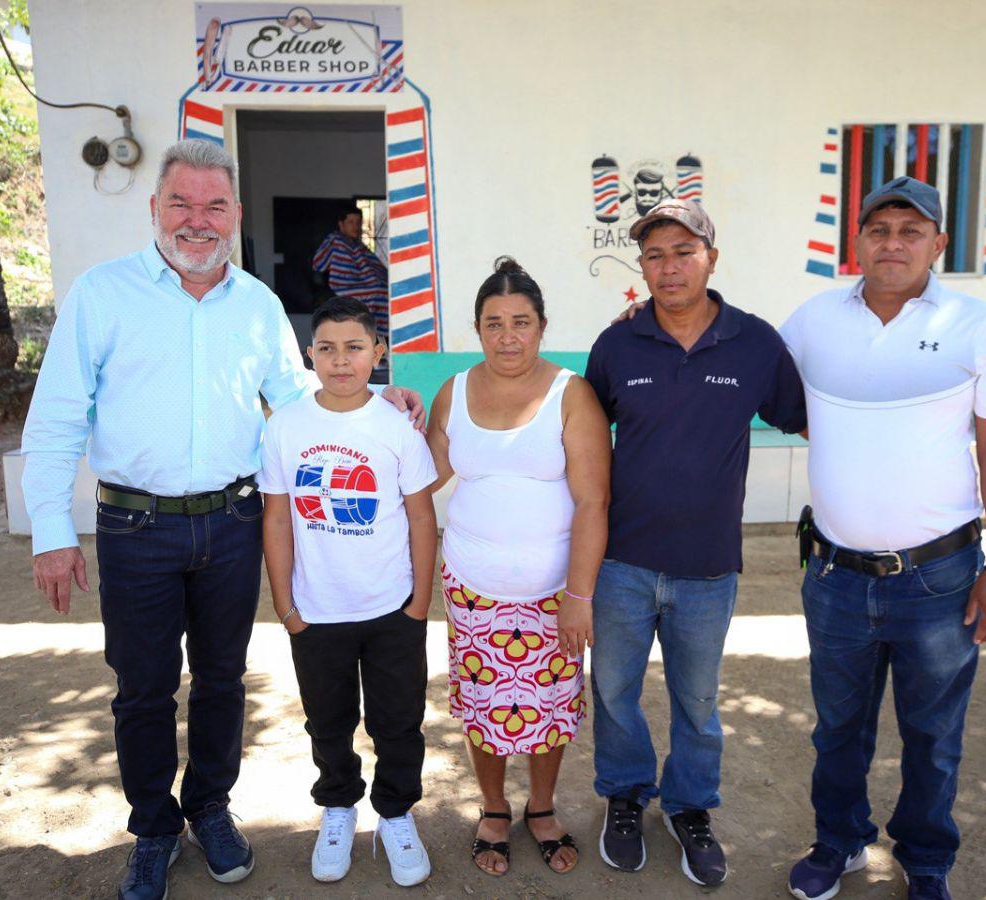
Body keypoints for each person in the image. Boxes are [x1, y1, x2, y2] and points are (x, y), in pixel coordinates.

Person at [20, 139, 422, 900]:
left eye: (213, 206)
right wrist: (51, 531)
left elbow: (299, 394)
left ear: (235, 215)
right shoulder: (102, 295)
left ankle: (209, 809)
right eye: (181, 203)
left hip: (234, 523)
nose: (196, 221)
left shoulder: (257, 305)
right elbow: (57, 418)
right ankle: (153, 828)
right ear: (154, 209)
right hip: (135, 530)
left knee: (220, 680)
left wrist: (377, 400)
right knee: (142, 687)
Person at [780, 177, 986, 900]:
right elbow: (760, 384)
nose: (893, 243)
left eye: (910, 231)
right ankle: (839, 842)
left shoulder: (975, 322)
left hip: (939, 577)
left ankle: (925, 862)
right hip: (835, 576)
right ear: (855, 241)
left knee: (933, 735)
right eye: (879, 229)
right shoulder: (814, 319)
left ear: (938, 244)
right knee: (838, 730)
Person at [585, 199, 807, 887]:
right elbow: (583, 444)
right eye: (654, 254)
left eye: (684, 251)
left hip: (709, 567)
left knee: (698, 701)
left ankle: (690, 808)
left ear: (712, 257)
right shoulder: (617, 344)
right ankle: (625, 796)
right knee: (615, 690)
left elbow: (811, 421)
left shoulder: (755, 344)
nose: (668, 265)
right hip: (622, 561)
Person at [424, 257, 611, 877]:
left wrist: (579, 596)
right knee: (484, 704)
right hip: (472, 590)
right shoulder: (454, 390)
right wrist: (382, 413)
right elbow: (425, 474)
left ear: (542, 326)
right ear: (477, 330)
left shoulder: (571, 392)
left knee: (550, 706)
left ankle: (543, 807)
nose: (509, 336)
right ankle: (494, 807)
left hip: (551, 592)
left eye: (521, 322)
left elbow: (592, 500)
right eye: (494, 323)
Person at [259, 297, 437, 887]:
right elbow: (279, 518)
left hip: (391, 609)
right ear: (310, 355)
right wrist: (286, 606)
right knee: (327, 721)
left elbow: (419, 517)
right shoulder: (286, 424)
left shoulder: (396, 425)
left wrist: (418, 604)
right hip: (317, 611)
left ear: (378, 353)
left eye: (354, 347)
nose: (341, 361)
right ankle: (338, 807)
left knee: (398, 721)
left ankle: (394, 811)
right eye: (327, 348)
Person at [312, 206, 390, 349]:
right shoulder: (334, 240)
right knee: (377, 292)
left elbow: (375, 267)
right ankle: (371, 336)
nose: (355, 226)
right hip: (344, 287)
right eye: (351, 222)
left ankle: (381, 338)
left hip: (366, 286)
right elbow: (318, 264)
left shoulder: (359, 245)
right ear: (341, 224)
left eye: (358, 222)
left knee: (385, 290)